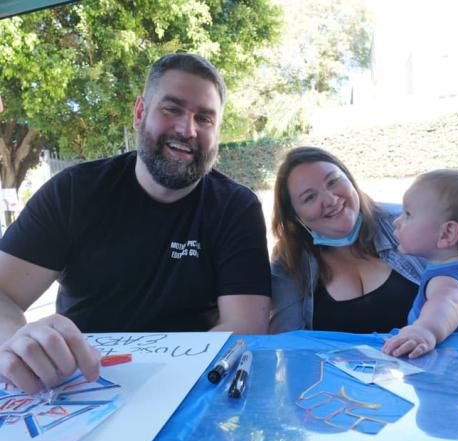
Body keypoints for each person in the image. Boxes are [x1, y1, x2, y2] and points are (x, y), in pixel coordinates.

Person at [0, 53, 271, 394]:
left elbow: (245, 325)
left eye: (204, 118)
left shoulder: (236, 207)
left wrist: (154, 385)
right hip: (78, 386)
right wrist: (18, 343)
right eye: (172, 109)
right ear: (140, 112)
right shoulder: (72, 192)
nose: (187, 130)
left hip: (188, 389)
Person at [270, 146, 425, 334]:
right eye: (310, 197)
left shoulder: (406, 222)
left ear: (350, 179)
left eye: (333, 181)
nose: (330, 199)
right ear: (295, 217)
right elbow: (288, 343)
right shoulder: (290, 262)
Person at [382, 169, 458, 359]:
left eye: (408, 214)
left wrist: (425, 330)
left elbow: (449, 301)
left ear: (446, 234)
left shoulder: (448, 279)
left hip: (447, 375)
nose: (397, 221)